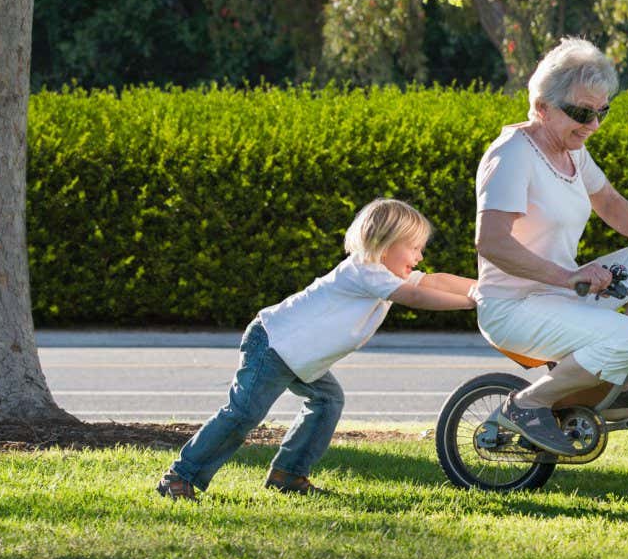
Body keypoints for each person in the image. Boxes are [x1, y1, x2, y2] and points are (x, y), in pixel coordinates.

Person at [156, 199, 476, 500]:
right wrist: (472, 302)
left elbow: (434, 282)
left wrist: (483, 288)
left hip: (298, 356)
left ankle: (288, 475)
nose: (419, 257)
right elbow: (418, 297)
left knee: (327, 401)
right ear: (385, 242)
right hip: (273, 344)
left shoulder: (383, 274)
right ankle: (180, 476)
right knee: (244, 414)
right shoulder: (365, 270)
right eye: (415, 248)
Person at [473, 37, 628, 455]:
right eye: (581, 113)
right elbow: (492, 243)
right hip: (513, 305)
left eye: (601, 112)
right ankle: (528, 404)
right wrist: (570, 276)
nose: (593, 125)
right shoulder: (512, 156)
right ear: (541, 107)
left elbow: (608, 201)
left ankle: (626, 385)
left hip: (560, 293)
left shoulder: (573, 152)